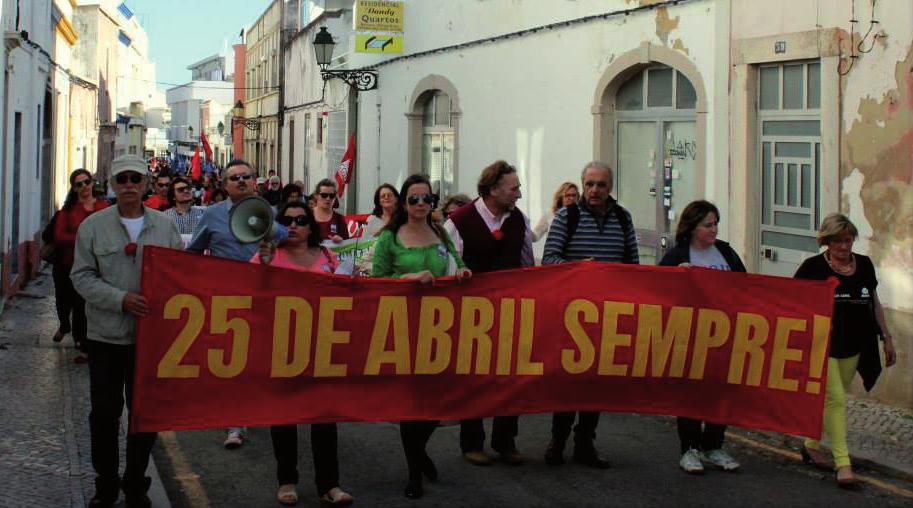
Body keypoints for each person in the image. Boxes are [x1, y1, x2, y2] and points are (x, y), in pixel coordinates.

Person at [70, 154, 183, 507]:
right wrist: (120, 299)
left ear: (147, 183)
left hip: (150, 340)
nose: (130, 185)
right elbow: (81, 276)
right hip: (105, 337)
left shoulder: (165, 227)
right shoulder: (93, 227)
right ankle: (106, 483)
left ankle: (136, 483)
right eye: (123, 180)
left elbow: (181, 273)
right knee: (104, 413)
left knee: (144, 415)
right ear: (113, 184)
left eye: (136, 179)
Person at [372, 174, 471, 499]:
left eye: (426, 199)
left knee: (441, 400)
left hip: (441, 330)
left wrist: (462, 271)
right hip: (405, 330)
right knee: (412, 405)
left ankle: (420, 451)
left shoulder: (440, 232)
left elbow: (457, 263)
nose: (420, 205)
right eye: (413, 199)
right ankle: (414, 472)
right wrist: (408, 278)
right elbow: (377, 283)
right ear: (403, 203)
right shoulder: (389, 238)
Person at [252, 202, 353, 506]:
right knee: (284, 418)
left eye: (300, 220)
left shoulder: (327, 256)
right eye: (287, 220)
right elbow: (246, 293)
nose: (293, 225)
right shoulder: (268, 255)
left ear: (311, 227)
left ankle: (330, 485)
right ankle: (287, 481)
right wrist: (264, 266)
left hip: (323, 347)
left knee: (324, 418)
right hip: (282, 347)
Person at [542, 161, 639, 469]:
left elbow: (633, 269)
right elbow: (549, 261)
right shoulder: (566, 218)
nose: (595, 190)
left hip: (608, 316)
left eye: (601, 185)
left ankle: (585, 443)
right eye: (590, 184)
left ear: (611, 187)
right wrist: (581, 268)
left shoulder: (623, 219)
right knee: (568, 383)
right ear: (583, 185)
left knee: (596, 383)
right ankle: (557, 442)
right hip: (573, 315)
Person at [187, 159, 288, 449]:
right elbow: (194, 251)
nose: (241, 181)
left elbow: (285, 238)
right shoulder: (212, 216)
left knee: (260, 357)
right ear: (224, 185)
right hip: (227, 297)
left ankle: (257, 409)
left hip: (263, 296)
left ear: (255, 181)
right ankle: (235, 424)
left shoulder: (267, 210)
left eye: (246, 176)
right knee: (232, 359)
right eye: (234, 178)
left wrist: (269, 228)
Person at [794, 213, 897, 486]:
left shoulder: (863, 264)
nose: (843, 246)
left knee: (832, 401)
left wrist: (886, 337)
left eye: (848, 240)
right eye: (837, 241)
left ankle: (810, 444)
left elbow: (873, 302)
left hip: (855, 344)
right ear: (826, 241)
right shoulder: (813, 268)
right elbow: (794, 303)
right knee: (836, 399)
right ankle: (843, 463)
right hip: (822, 347)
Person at [443, 161, 534, 466]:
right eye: (514, 188)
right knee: (475, 379)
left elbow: (526, 265)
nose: (519, 194)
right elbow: (449, 267)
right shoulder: (460, 221)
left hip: (509, 312)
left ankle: (505, 441)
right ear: (494, 189)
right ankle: (472, 442)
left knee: (511, 378)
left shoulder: (518, 220)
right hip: (472, 314)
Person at [658, 200, 745, 474]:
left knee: (721, 392)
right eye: (708, 225)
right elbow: (654, 289)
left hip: (725, 336)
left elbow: (748, 287)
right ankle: (689, 449)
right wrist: (676, 278)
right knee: (691, 393)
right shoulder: (677, 256)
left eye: (716, 224)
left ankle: (714, 446)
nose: (714, 229)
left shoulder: (726, 253)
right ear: (693, 227)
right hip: (690, 336)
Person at [51, 169, 110, 363]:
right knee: (67, 301)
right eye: (79, 184)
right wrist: (85, 239)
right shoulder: (68, 211)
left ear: (92, 183)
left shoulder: (104, 207)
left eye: (86, 182)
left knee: (85, 304)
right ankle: (68, 328)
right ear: (74, 188)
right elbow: (59, 236)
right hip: (70, 263)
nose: (84, 186)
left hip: (98, 264)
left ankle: (83, 342)